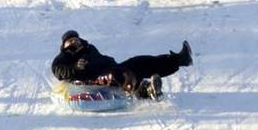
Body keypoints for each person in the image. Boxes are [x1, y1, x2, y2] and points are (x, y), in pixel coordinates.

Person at [51, 30, 192, 99]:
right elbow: (58, 71)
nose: (75, 42)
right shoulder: (64, 57)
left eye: (76, 39)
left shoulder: (89, 49)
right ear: (64, 45)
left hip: (110, 69)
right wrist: (75, 67)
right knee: (121, 75)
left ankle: (179, 59)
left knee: (139, 61)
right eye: (70, 41)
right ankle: (146, 89)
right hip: (92, 79)